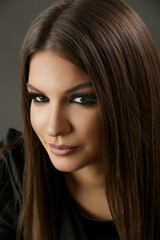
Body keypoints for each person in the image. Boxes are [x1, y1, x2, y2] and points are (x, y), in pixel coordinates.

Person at [0, 0, 160, 239]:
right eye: (40, 97)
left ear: (129, 97)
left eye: (82, 99)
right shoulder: (10, 178)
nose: (54, 127)